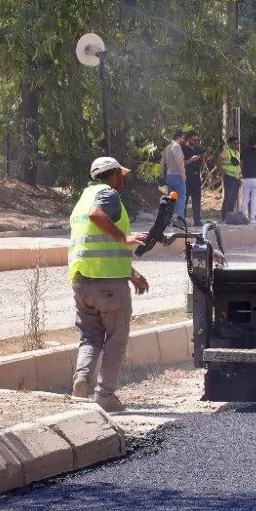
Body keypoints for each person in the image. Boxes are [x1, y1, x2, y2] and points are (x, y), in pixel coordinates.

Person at [68, 156, 150, 413]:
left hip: (82, 281)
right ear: (112, 175)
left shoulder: (83, 199)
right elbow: (98, 217)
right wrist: (125, 237)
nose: (122, 181)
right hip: (109, 286)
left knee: (90, 337)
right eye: (121, 176)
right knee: (116, 340)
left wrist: (130, 271)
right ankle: (105, 396)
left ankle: (81, 380)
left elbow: (98, 245)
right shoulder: (108, 195)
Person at [161, 130, 187, 217]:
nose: (183, 140)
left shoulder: (167, 147)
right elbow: (179, 161)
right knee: (180, 198)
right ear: (179, 137)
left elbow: (162, 163)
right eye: (183, 138)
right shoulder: (176, 146)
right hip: (177, 175)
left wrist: (162, 175)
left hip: (169, 176)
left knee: (171, 198)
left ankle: (168, 218)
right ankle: (179, 218)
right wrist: (183, 174)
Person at [182, 130, 205, 225]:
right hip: (186, 178)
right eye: (194, 140)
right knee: (184, 200)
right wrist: (191, 159)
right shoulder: (183, 149)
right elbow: (181, 163)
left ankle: (197, 221)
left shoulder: (197, 150)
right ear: (188, 139)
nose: (196, 142)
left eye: (197, 140)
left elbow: (201, 164)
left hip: (196, 177)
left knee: (197, 200)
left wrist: (203, 158)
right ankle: (181, 220)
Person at [220, 135, 243, 220]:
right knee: (227, 197)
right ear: (229, 143)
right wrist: (222, 173)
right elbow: (218, 161)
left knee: (233, 198)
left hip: (236, 178)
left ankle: (229, 216)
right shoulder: (226, 151)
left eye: (238, 143)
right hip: (229, 177)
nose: (236, 145)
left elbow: (238, 167)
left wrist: (240, 178)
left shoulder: (237, 153)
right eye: (235, 143)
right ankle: (224, 217)